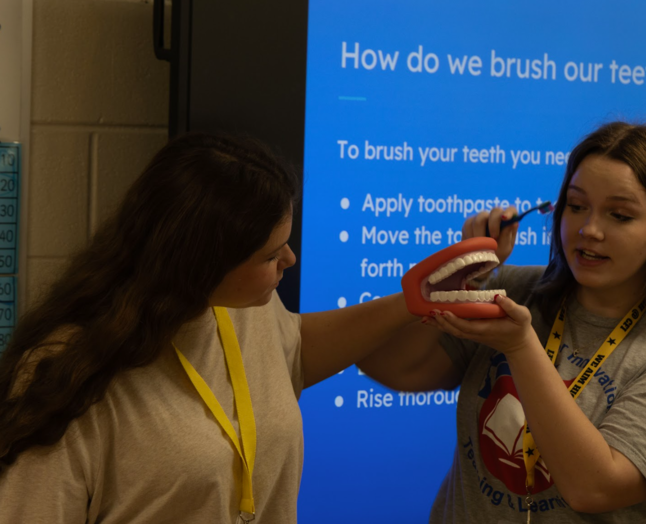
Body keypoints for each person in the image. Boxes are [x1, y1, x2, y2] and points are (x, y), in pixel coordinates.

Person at [0, 134, 419, 523]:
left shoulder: (246, 306)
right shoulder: (63, 372)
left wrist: (415, 301)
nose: (289, 260)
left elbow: (292, 355)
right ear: (203, 264)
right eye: (270, 255)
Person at [357, 122, 646, 522]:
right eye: (576, 205)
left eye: (619, 215)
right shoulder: (514, 291)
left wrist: (520, 346)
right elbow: (390, 366)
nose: (589, 230)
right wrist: (454, 283)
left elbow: (594, 486)